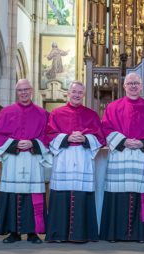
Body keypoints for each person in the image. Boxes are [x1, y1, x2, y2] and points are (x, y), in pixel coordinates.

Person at [100, 73, 144, 242]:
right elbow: (105, 128)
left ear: (141, 86)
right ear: (124, 86)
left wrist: (143, 143)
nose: (133, 86)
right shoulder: (112, 107)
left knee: (141, 194)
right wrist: (123, 141)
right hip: (120, 155)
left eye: (136, 83)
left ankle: (141, 234)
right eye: (130, 83)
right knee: (117, 194)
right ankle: (114, 233)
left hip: (141, 157)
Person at [45, 81, 104, 243]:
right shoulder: (56, 114)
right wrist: (66, 137)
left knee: (82, 193)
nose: (77, 95)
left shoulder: (91, 114)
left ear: (83, 95)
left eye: (80, 92)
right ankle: (58, 234)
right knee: (61, 194)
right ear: (68, 93)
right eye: (74, 92)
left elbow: (100, 137)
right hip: (64, 157)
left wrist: (86, 138)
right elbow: (48, 135)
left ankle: (82, 234)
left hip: (83, 158)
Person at [0, 79, 50, 244]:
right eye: (20, 90)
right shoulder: (6, 112)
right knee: (13, 194)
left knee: (34, 195)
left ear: (31, 91)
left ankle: (33, 232)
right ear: (16, 92)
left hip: (33, 159)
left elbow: (47, 135)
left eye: (26, 89)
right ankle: (13, 232)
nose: (23, 93)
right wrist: (15, 144)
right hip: (13, 159)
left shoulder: (42, 113)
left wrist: (33, 143)